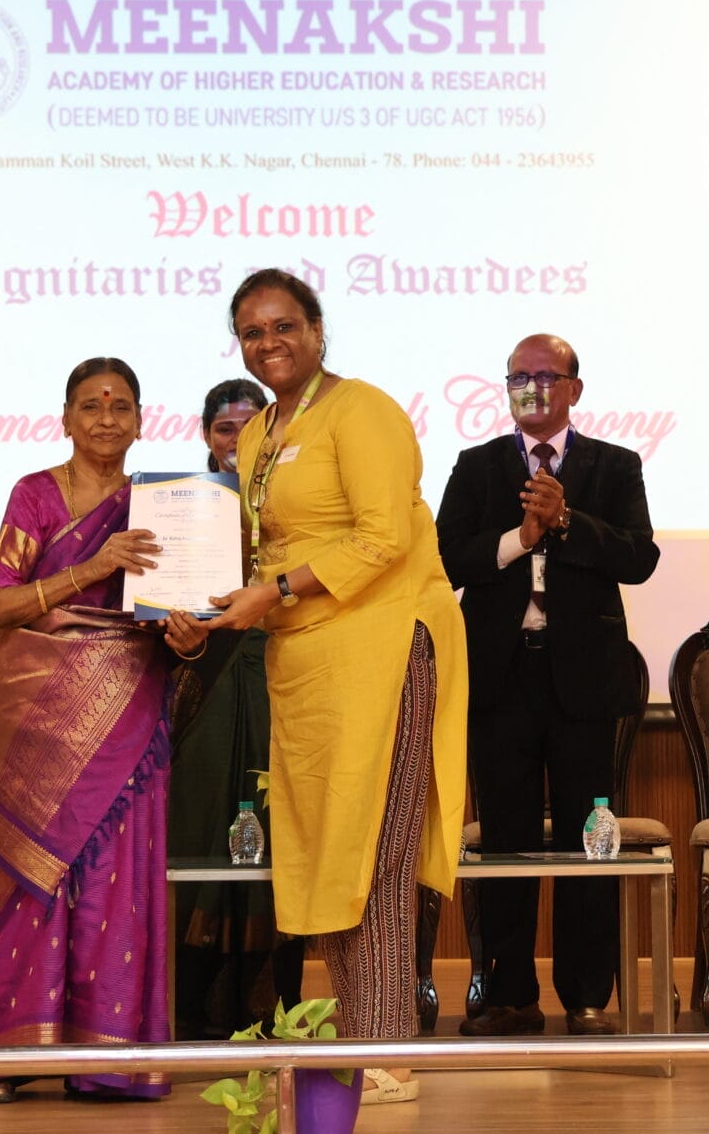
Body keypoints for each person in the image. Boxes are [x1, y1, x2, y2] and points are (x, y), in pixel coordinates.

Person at [169, 270, 466, 1105]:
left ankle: (389, 1053)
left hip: (385, 645)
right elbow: (259, 556)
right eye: (252, 332)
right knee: (329, 855)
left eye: (284, 326)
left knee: (379, 855)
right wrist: (204, 614)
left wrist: (275, 591)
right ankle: (362, 1040)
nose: (269, 343)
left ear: (317, 329)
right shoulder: (259, 434)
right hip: (306, 662)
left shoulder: (363, 411)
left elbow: (383, 537)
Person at [0, 357, 182, 1103]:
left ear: (141, 421)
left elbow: (179, 614)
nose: (106, 418)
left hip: (128, 716)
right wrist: (91, 567)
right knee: (31, 877)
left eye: (121, 406)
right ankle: (10, 1054)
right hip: (36, 724)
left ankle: (107, 1057)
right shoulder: (35, 495)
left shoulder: (163, 505)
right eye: (91, 405)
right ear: (64, 418)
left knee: (114, 882)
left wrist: (192, 630)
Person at [435, 334, 660, 1037]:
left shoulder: (614, 465)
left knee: (587, 839)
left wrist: (566, 521)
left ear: (574, 389)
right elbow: (445, 558)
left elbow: (639, 557)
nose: (531, 389)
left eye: (546, 376)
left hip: (584, 681)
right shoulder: (477, 466)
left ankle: (587, 995)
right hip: (501, 678)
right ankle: (509, 995)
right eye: (518, 378)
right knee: (504, 840)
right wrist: (520, 540)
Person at [167, 378, 306, 1038]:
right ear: (205, 434)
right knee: (198, 831)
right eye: (227, 428)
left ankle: (274, 1005)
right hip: (204, 692)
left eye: (253, 428)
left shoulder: (301, 505)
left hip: (285, 681)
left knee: (280, 834)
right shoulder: (182, 509)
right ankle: (189, 1006)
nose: (239, 440)